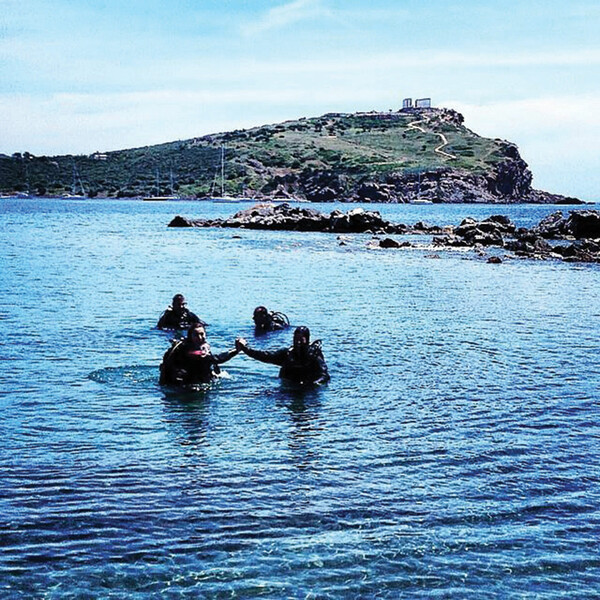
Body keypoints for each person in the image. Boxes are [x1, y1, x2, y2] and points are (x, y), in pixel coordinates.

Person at [236, 326, 329, 385]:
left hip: (308, 388)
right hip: (289, 387)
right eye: (296, 339)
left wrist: (316, 383)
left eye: (301, 339)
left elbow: (324, 374)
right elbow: (264, 356)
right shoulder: (287, 354)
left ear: (307, 340)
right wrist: (245, 349)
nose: (298, 342)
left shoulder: (314, 355)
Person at [160, 323, 239, 386]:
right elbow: (218, 359)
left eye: (202, 334)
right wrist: (237, 350)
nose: (200, 337)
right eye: (196, 335)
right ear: (190, 337)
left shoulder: (202, 347)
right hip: (188, 386)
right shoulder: (189, 351)